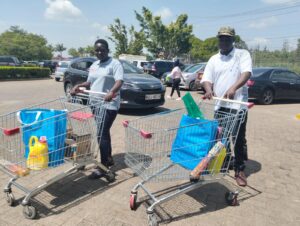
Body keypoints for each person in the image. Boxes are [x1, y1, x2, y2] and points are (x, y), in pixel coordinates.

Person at [201, 26, 252, 186]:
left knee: (237, 138)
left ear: (233, 40)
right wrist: (209, 90)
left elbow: (246, 73)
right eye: (221, 38)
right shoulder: (214, 59)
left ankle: (239, 169)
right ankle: (224, 162)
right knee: (221, 137)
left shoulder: (241, 54)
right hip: (220, 106)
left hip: (237, 106)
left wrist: (234, 88)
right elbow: (206, 78)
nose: (224, 41)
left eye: (227, 38)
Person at [71, 39, 124, 179]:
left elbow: (119, 81)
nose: (100, 52)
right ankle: (109, 159)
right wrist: (79, 86)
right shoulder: (94, 65)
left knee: (101, 133)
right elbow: (90, 82)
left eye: (103, 50)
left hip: (109, 104)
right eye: (97, 50)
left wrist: (112, 92)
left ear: (108, 50)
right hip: (95, 103)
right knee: (103, 132)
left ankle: (104, 166)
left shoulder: (115, 63)